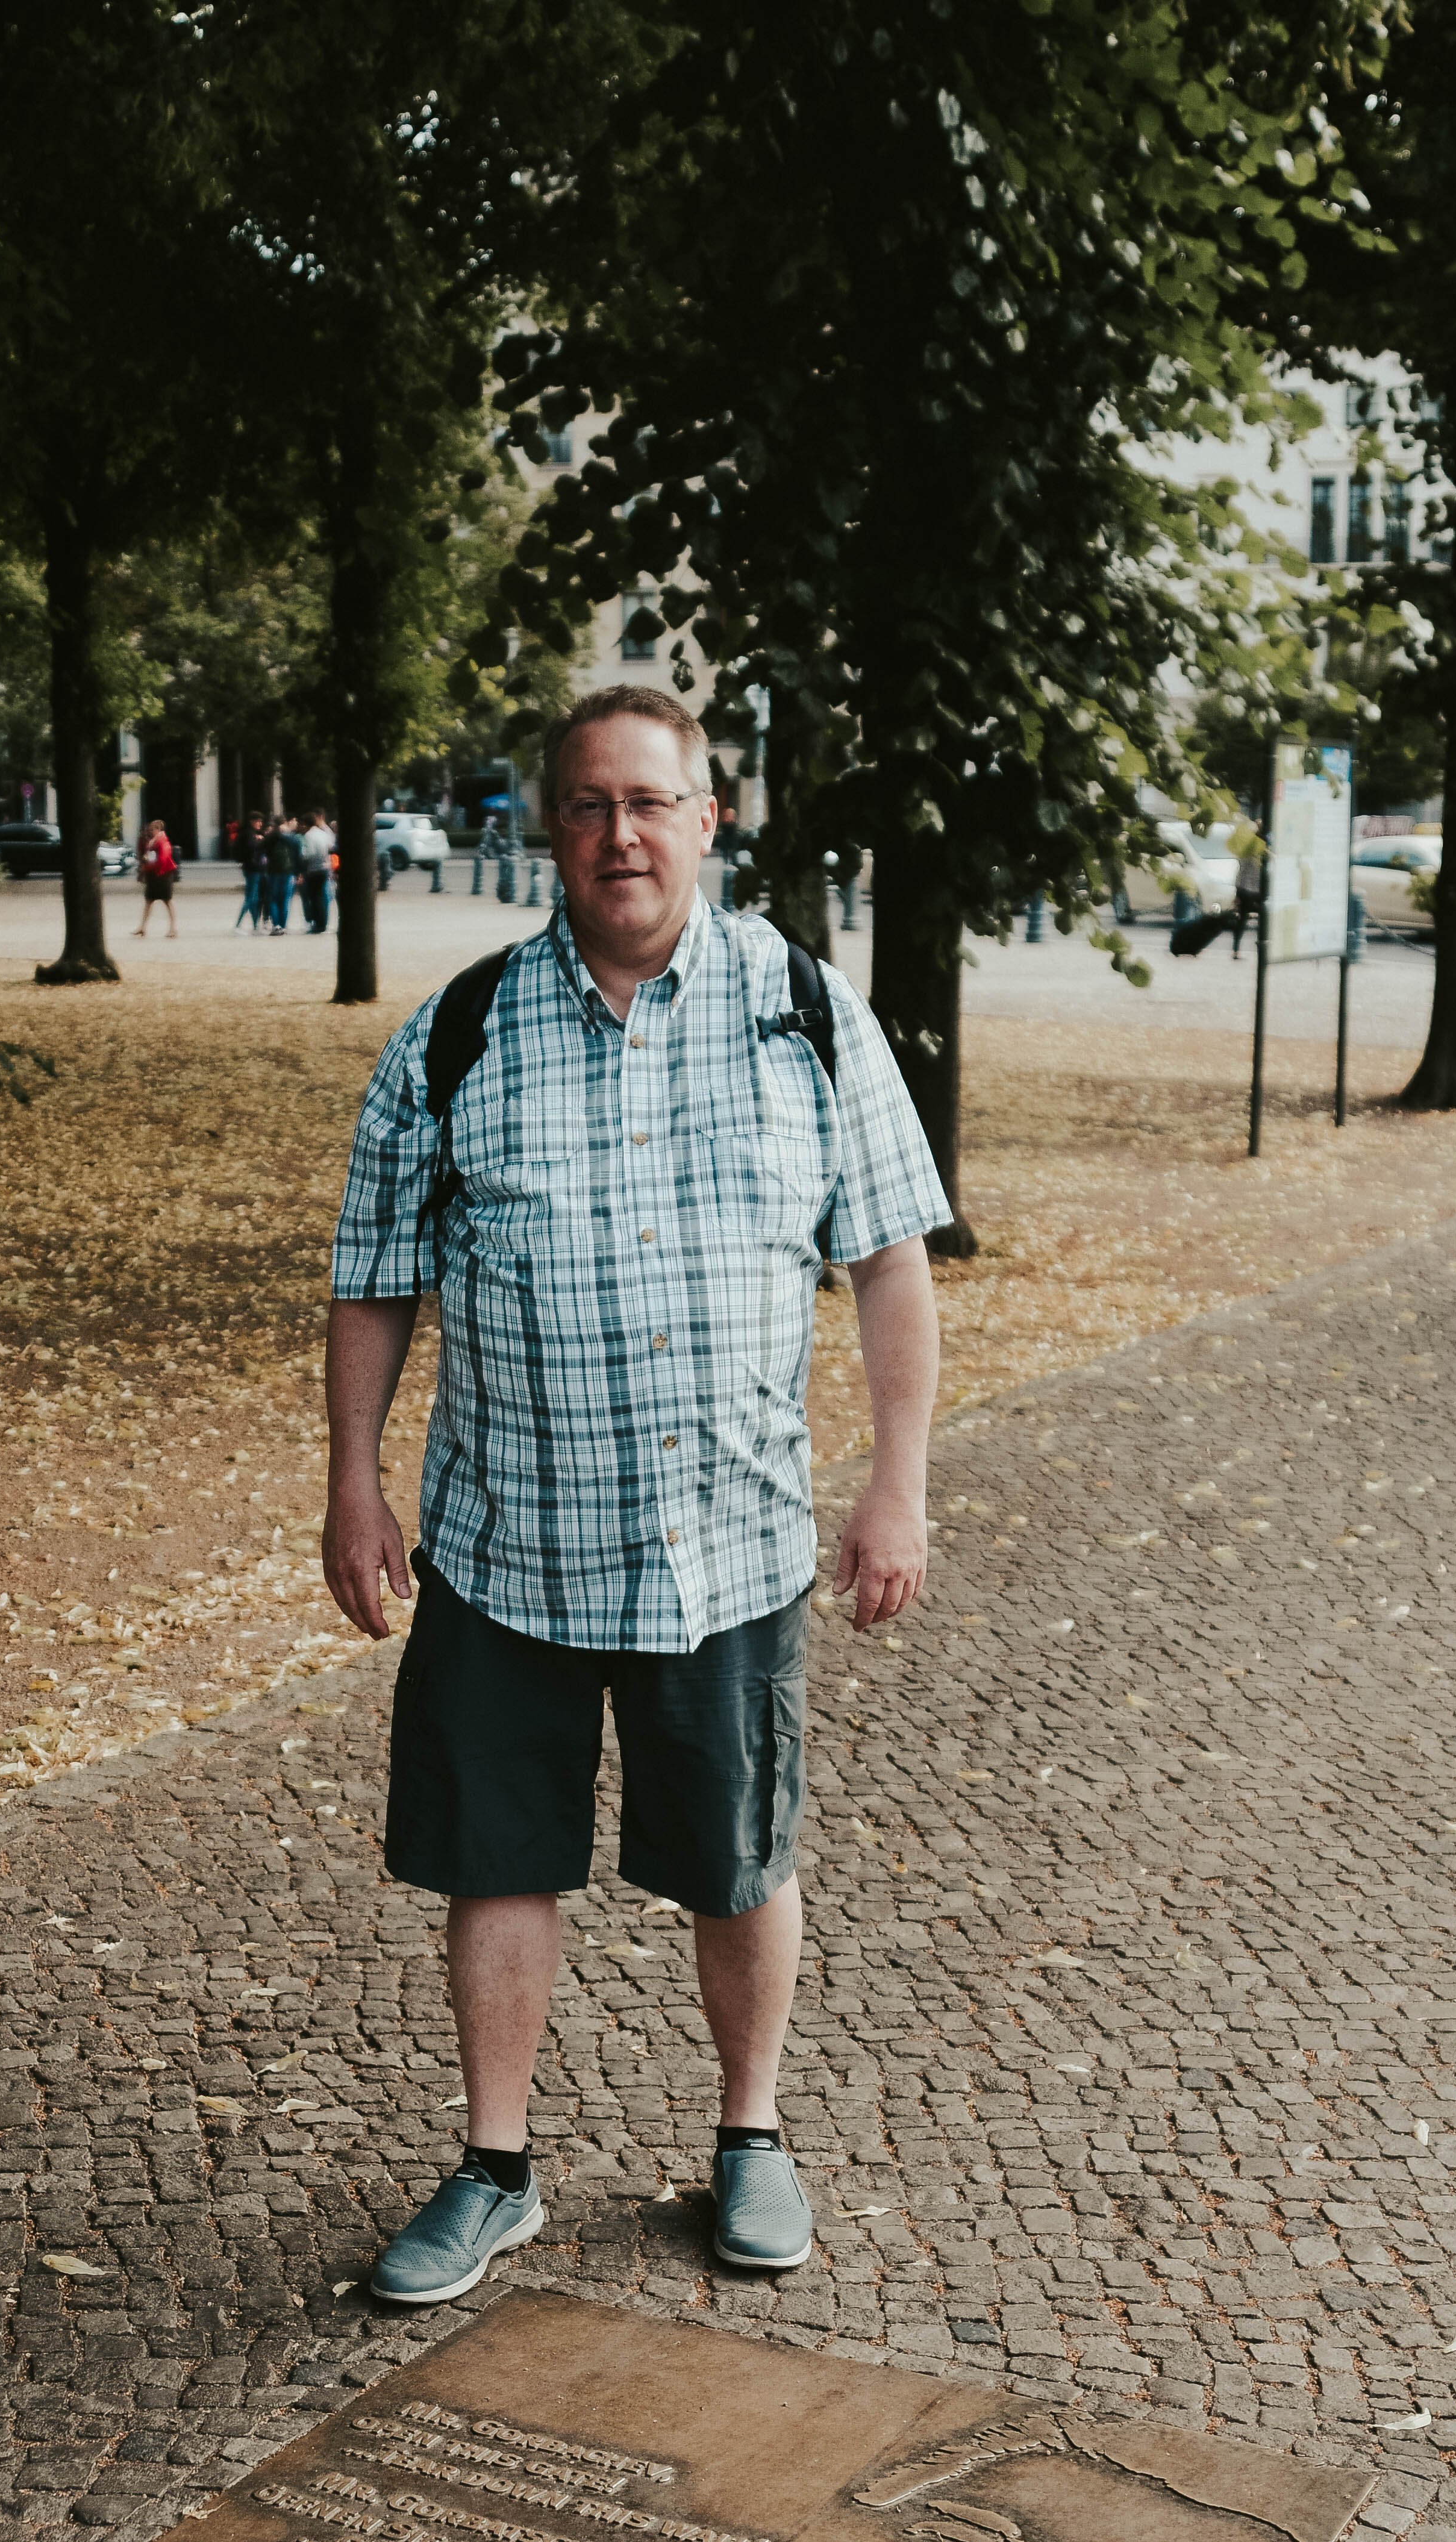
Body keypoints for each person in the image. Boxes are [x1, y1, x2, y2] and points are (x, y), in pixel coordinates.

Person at [325, 682, 949, 2306]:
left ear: (706, 820)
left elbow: (890, 1263)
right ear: (555, 827)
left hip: (727, 1546)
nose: (622, 834)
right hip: (505, 1544)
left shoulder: (808, 1014)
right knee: (497, 1858)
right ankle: (494, 2167)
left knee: (740, 1858)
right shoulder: (458, 1033)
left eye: (651, 801)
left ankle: (751, 2136)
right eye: (591, 804)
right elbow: (374, 1277)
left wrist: (897, 1488)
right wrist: (353, 1484)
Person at [133, 818, 178, 939]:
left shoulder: (163, 842)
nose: (150, 832)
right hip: (154, 876)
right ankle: (142, 927)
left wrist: (147, 866)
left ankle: (173, 929)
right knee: (149, 901)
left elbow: (162, 860)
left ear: (159, 830)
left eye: (152, 829)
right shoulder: (153, 842)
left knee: (167, 902)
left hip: (163, 875)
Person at [233, 815, 268, 933]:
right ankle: (238, 925)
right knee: (251, 898)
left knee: (254, 898)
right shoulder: (249, 834)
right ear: (252, 822)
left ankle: (255, 925)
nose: (261, 824)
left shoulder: (249, 833)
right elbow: (251, 847)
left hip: (252, 868)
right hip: (253, 869)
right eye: (259, 821)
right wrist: (261, 841)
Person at [300, 812, 334, 933]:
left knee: (314, 898)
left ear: (305, 824)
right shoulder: (323, 834)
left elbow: (308, 854)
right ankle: (323, 923)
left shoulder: (308, 836)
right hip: (325, 868)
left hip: (313, 870)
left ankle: (317, 924)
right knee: (321, 897)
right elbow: (331, 847)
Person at [264, 814, 297, 934]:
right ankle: (283, 925)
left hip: (273, 871)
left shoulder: (271, 836)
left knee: (273, 899)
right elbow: (296, 849)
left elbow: (264, 849)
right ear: (284, 823)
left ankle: (276, 925)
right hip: (288, 870)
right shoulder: (289, 836)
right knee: (286, 899)